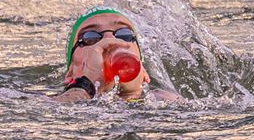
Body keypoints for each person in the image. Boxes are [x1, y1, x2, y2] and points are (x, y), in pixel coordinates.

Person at [51, 6, 181, 103]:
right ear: (70, 73)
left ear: (145, 73)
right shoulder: (48, 103)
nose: (110, 41)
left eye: (124, 34)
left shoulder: (165, 101)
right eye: (90, 37)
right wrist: (85, 87)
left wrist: (132, 94)